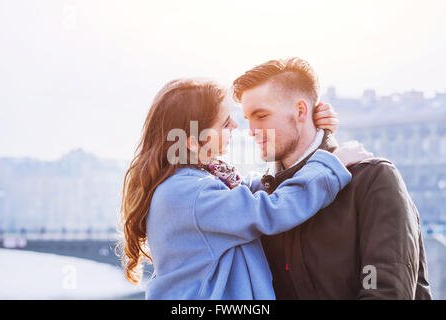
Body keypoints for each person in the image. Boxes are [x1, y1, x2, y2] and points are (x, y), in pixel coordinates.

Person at [118, 78, 371, 299]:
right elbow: (274, 209)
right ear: (194, 142)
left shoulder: (191, 183)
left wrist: (312, 133)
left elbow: (260, 186)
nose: (236, 128)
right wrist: (332, 163)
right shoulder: (191, 194)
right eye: (225, 123)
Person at [233, 57, 432, 299]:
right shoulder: (264, 199)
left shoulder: (372, 180)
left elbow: (385, 290)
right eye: (247, 119)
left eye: (261, 116)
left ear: (300, 111)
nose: (251, 131)